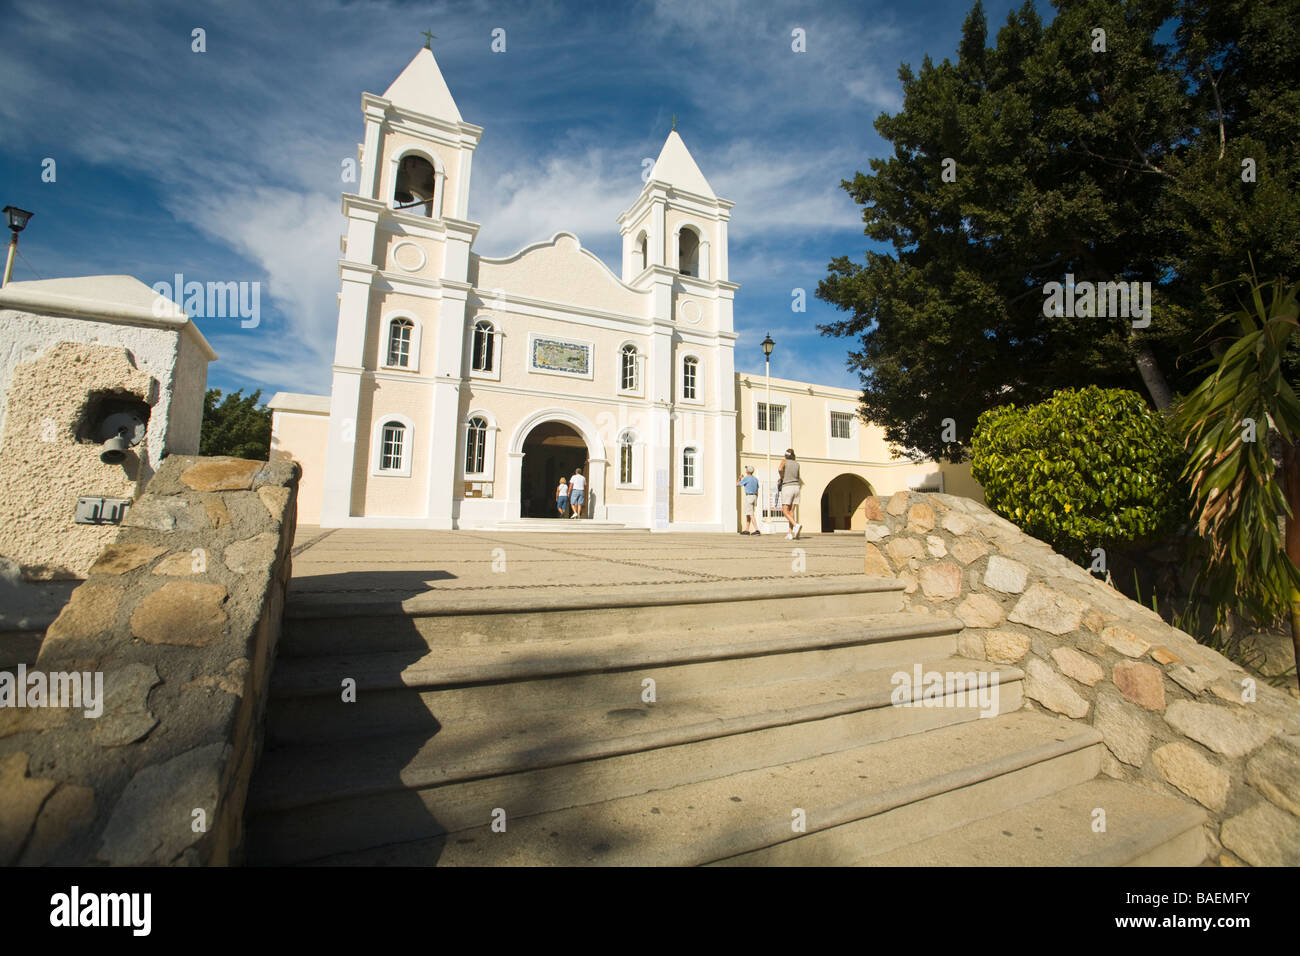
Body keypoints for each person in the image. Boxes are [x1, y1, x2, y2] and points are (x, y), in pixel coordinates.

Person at [777, 449, 802, 539]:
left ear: (786, 455)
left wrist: (782, 477)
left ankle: (796, 525)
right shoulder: (797, 464)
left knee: (785, 510)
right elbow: (798, 476)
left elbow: (780, 469)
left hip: (788, 487)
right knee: (791, 511)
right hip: (797, 487)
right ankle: (790, 533)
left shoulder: (784, 461)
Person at [737, 465, 760, 534]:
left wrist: (739, 478)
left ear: (747, 471)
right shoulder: (755, 479)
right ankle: (747, 529)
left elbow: (737, 484)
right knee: (749, 513)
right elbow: (757, 488)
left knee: (751, 514)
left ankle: (757, 529)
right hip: (754, 496)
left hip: (749, 496)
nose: (745, 470)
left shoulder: (746, 478)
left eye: (746, 469)